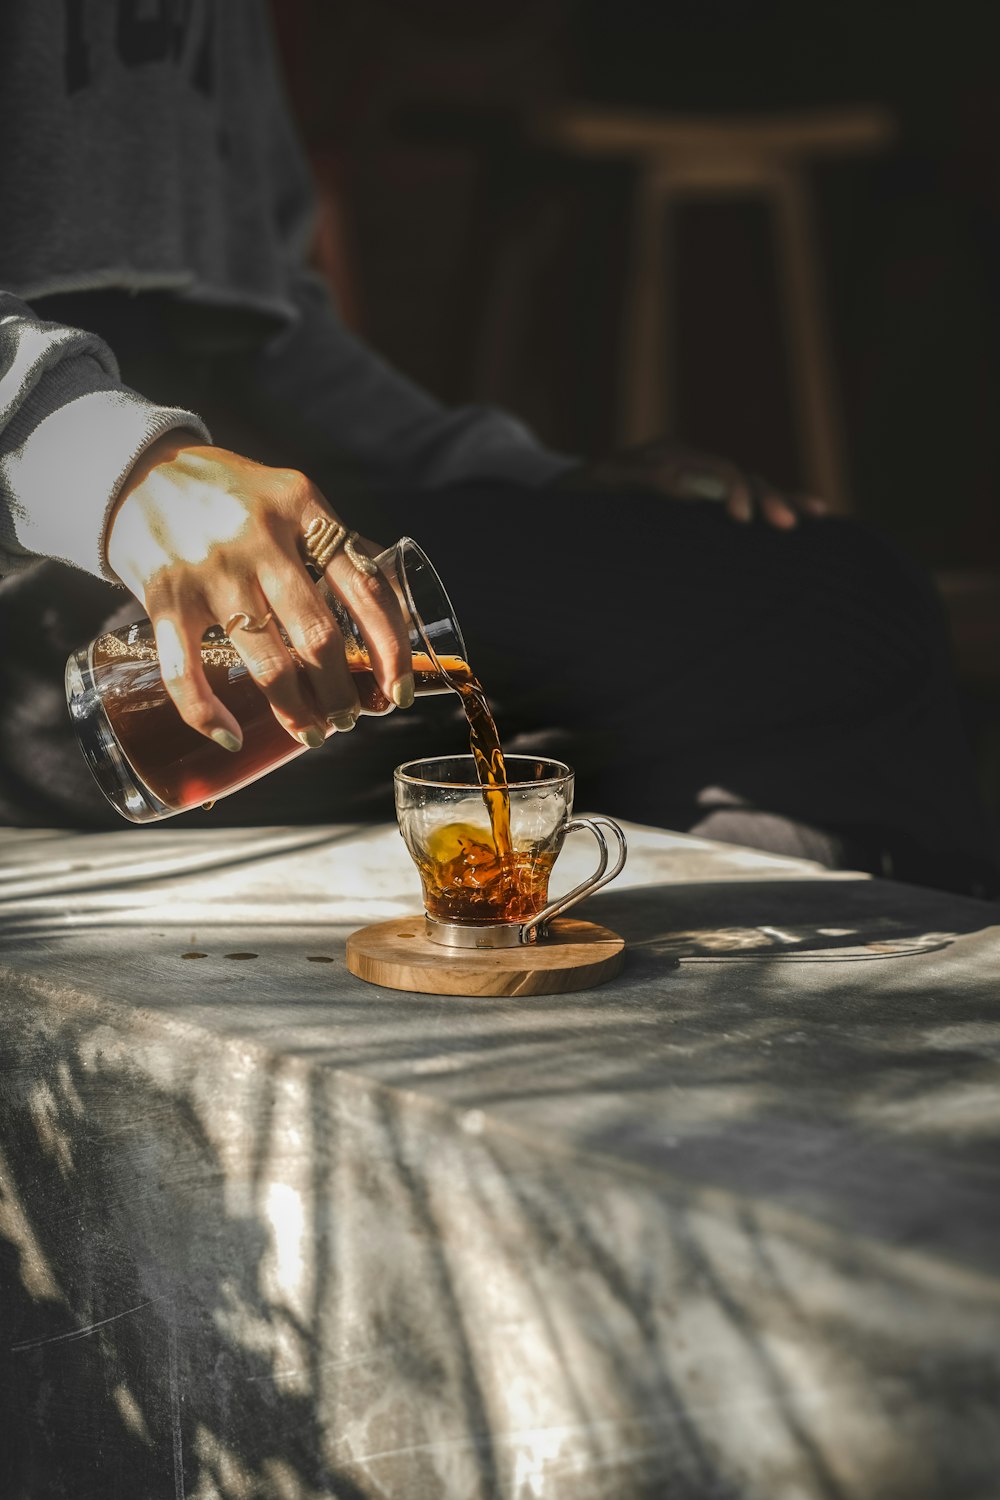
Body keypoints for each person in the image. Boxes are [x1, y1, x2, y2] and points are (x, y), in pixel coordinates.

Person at [0, 0, 995, 896]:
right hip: (65, 605)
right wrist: (122, 475)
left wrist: (535, 483)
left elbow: (269, 333)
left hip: (239, 540)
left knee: (781, 633)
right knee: (842, 622)